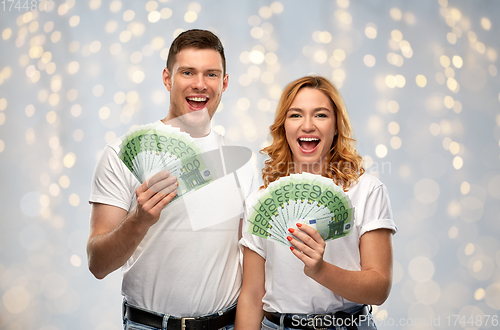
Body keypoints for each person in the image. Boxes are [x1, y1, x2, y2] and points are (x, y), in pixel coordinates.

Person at [87, 29, 257, 330]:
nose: (200, 85)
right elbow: (98, 264)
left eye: (211, 74)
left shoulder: (243, 163)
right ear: (167, 78)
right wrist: (139, 220)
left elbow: (255, 267)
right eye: (187, 72)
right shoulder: (121, 154)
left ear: (225, 83)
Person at [235, 76, 396, 330]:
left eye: (320, 115)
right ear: (283, 127)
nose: (307, 125)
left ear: (336, 127)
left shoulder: (367, 191)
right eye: (296, 115)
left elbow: (379, 289)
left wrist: (321, 270)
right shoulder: (260, 201)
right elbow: (252, 296)